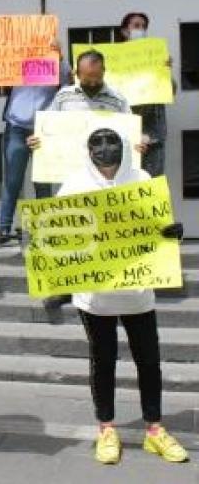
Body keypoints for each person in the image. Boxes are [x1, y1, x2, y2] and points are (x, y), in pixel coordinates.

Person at [57, 127, 188, 465]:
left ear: (125, 146)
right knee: (103, 362)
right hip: (95, 296)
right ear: (87, 149)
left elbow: (156, 227)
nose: (104, 148)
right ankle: (106, 428)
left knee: (149, 361)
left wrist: (171, 233)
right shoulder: (72, 186)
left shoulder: (143, 178)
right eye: (96, 142)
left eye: (111, 140)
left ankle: (155, 429)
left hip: (138, 291)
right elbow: (57, 234)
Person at [28, 50, 142, 317]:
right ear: (77, 74)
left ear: (103, 72)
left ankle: (105, 281)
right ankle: (62, 287)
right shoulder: (63, 96)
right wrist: (37, 140)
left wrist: (139, 142)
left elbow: (129, 135)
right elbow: (48, 128)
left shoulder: (117, 99)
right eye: (86, 78)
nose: (91, 83)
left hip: (105, 179)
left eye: (96, 77)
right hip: (71, 178)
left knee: (103, 232)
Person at [0, 43, 71, 248]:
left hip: (44, 130)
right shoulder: (16, 62)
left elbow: (69, 84)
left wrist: (59, 58)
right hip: (16, 126)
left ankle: (44, 230)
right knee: (12, 180)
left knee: (43, 181)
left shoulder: (58, 65)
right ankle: (5, 227)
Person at [119, 12, 171, 178]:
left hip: (154, 136)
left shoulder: (155, 56)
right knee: (126, 188)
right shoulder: (114, 59)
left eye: (143, 27)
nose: (141, 29)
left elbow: (171, 91)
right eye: (136, 26)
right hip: (124, 138)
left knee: (152, 188)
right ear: (125, 32)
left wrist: (166, 72)